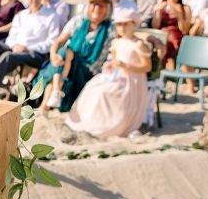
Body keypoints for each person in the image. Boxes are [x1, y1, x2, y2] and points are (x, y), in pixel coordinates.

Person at [65, 8, 152, 139]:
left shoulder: (138, 44)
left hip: (132, 80)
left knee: (104, 93)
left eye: (125, 24)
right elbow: (114, 61)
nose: (122, 27)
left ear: (134, 24)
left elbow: (147, 67)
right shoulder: (117, 42)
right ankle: (91, 121)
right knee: (92, 87)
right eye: (119, 24)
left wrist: (127, 66)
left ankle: (110, 123)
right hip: (118, 76)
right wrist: (110, 65)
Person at [37, 0, 114, 112]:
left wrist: (152, 39)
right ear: (89, 6)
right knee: (61, 55)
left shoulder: (110, 28)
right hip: (67, 64)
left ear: (107, 9)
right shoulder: (78, 21)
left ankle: (49, 100)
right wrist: (53, 55)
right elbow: (58, 42)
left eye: (101, 5)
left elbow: (128, 37)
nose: (97, 8)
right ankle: (54, 95)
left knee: (63, 56)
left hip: (89, 70)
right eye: (94, 4)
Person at [152, 0, 192, 68]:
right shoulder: (159, 6)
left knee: (171, 39)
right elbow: (155, 26)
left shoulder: (185, 8)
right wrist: (158, 12)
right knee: (164, 39)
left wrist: (179, 15)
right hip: (161, 34)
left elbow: (185, 30)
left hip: (177, 35)